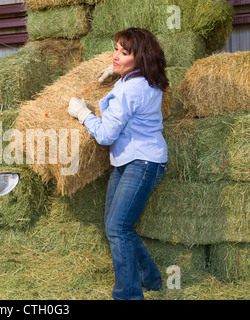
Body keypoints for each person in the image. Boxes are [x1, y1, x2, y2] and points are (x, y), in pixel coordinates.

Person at [68, 27, 169, 300]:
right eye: (117, 49)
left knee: (118, 227)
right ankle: (151, 279)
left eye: (124, 53)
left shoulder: (132, 90)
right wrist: (118, 72)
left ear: (141, 59)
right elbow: (131, 88)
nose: (115, 55)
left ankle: (128, 295)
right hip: (128, 160)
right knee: (118, 225)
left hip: (142, 162)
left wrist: (83, 113)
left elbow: (105, 135)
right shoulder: (142, 79)